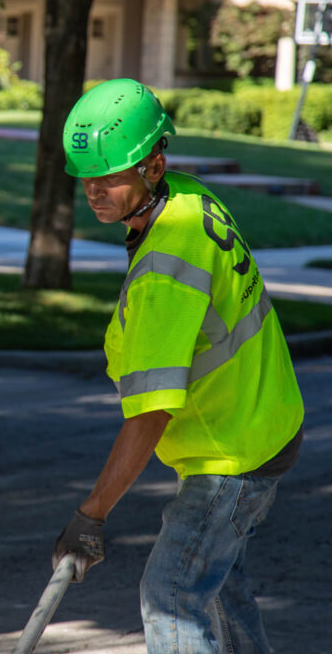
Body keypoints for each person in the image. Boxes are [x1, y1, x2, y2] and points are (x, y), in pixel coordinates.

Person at [53, 78, 304, 653]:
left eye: (111, 175)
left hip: (231, 453)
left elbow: (150, 415)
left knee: (169, 595)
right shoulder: (189, 199)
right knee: (217, 584)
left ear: (154, 164)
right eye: (87, 176)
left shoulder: (165, 268)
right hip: (264, 425)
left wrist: (91, 515)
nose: (94, 190)